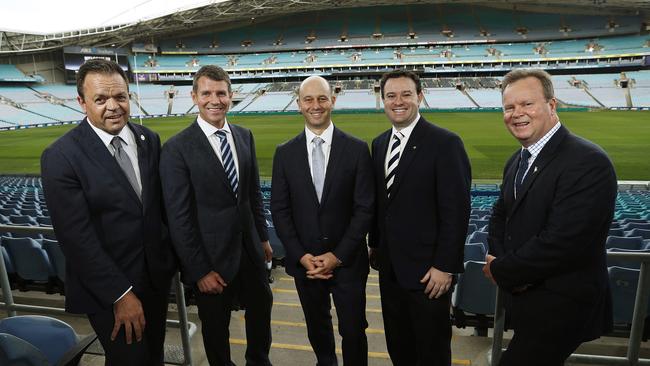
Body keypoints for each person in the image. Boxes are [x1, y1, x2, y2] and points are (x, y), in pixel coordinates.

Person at [40, 59, 176, 365]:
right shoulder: (61, 156)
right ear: (82, 102)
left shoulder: (148, 139)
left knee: (153, 357)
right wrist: (121, 295)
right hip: (111, 292)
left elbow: (156, 211)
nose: (113, 106)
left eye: (120, 97)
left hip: (155, 279)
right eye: (100, 99)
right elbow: (77, 239)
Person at [483, 69, 617, 366]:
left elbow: (564, 242)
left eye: (527, 104)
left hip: (564, 303)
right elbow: (500, 213)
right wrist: (500, 260)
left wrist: (505, 272)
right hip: (527, 300)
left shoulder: (588, 161)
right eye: (509, 107)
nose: (517, 114)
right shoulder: (516, 159)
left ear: (552, 105)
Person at [159, 65, 273, 366]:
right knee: (216, 327)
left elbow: (251, 196)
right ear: (194, 96)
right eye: (207, 93)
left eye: (221, 93)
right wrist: (198, 270)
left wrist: (262, 237)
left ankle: (259, 361)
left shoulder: (244, 136)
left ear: (231, 96)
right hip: (210, 260)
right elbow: (179, 218)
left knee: (261, 311)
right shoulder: (176, 149)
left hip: (249, 250)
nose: (215, 100)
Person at [368, 69, 471, 366]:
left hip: (429, 274)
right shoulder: (379, 144)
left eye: (405, 94)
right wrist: (375, 244)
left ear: (420, 97)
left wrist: (445, 266)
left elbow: (456, 210)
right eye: (391, 96)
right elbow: (382, 204)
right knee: (399, 347)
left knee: (432, 352)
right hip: (390, 271)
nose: (398, 102)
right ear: (383, 100)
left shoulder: (445, 143)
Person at [271, 76, 374, 366]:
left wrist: (338, 255)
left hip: (348, 263)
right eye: (308, 99)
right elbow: (280, 210)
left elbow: (364, 209)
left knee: (354, 331)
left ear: (333, 101)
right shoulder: (284, 153)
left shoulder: (356, 149)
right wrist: (301, 256)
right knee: (317, 328)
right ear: (298, 104)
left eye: (321, 99)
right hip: (306, 265)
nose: (315, 105)